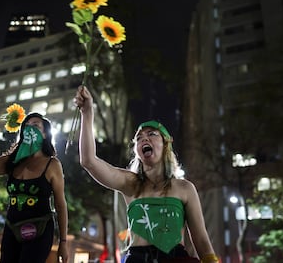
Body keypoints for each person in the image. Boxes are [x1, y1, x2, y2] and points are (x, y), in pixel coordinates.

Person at [74, 86, 219, 263]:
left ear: (166, 144)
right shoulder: (130, 183)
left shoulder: (185, 188)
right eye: (139, 138)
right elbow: (88, 161)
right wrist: (87, 113)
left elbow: (201, 239)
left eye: (152, 134)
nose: (144, 139)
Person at [0, 112, 68, 263]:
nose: (29, 129)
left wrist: (63, 242)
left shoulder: (52, 164)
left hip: (40, 228)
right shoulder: (12, 161)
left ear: (45, 134)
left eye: (35, 126)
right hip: (11, 227)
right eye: (26, 127)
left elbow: (60, 205)